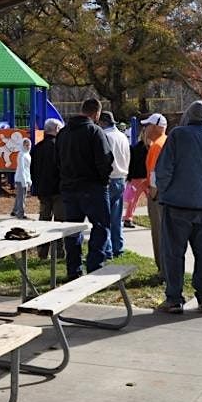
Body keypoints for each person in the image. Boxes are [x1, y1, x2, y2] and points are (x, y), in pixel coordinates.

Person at [154, 101, 202, 314]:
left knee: (173, 254)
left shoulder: (178, 135)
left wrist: (166, 190)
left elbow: (163, 170)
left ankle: (174, 299)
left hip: (176, 205)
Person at [58, 98, 113, 281]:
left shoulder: (63, 133)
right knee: (100, 226)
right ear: (96, 113)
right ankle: (95, 265)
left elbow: (57, 160)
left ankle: (73, 269)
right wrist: (104, 181)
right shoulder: (94, 131)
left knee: (72, 230)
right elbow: (104, 160)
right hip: (93, 187)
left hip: (69, 187)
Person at [31, 118, 64, 259]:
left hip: (43, 190)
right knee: (59, 222)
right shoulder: (60, 147)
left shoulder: (37, 148)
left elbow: (32, 169)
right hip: (58, 190)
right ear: (56, 129)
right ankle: (59, 252)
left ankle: (42, 252)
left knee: (43, 221)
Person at [100, 111, 131, 259]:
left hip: (110, 178)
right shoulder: (123, 136)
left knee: (104, 217)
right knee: (116, 217)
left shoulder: (105, 136)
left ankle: (107, 249)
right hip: (121, 177)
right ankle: (118, 246)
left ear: (102, 122)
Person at [142, 112, 169, 278]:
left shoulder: (157, 145)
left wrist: (152, 194)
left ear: (157, 127)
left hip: (158, 196)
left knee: (159, 233)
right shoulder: (165, 141)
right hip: (166, 194)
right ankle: (165, 270)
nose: (146, 129)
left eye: (149, 126)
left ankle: (163, 270)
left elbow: (154, 173)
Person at [122, 128, 149, 229]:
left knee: (133, 200)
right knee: (153, 199)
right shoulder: (150, 148)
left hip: (137, 177)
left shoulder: (135, 148)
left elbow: (131, 164)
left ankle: (128, 218)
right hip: (146, 177)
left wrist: (129, 177)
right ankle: (157, 217)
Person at [11, 138, 33, 218]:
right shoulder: (22, 154)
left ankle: (14, 210)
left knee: (19, 196)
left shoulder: (27, 154)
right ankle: (21, 213)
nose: (28, 147)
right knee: (22, 197)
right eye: (26, 145)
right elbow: (22, 168)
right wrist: (24, 181)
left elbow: (28, 169)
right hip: (20, 179)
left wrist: (29, 179)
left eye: (29, 145)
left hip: (25, 178)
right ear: (22, 145)